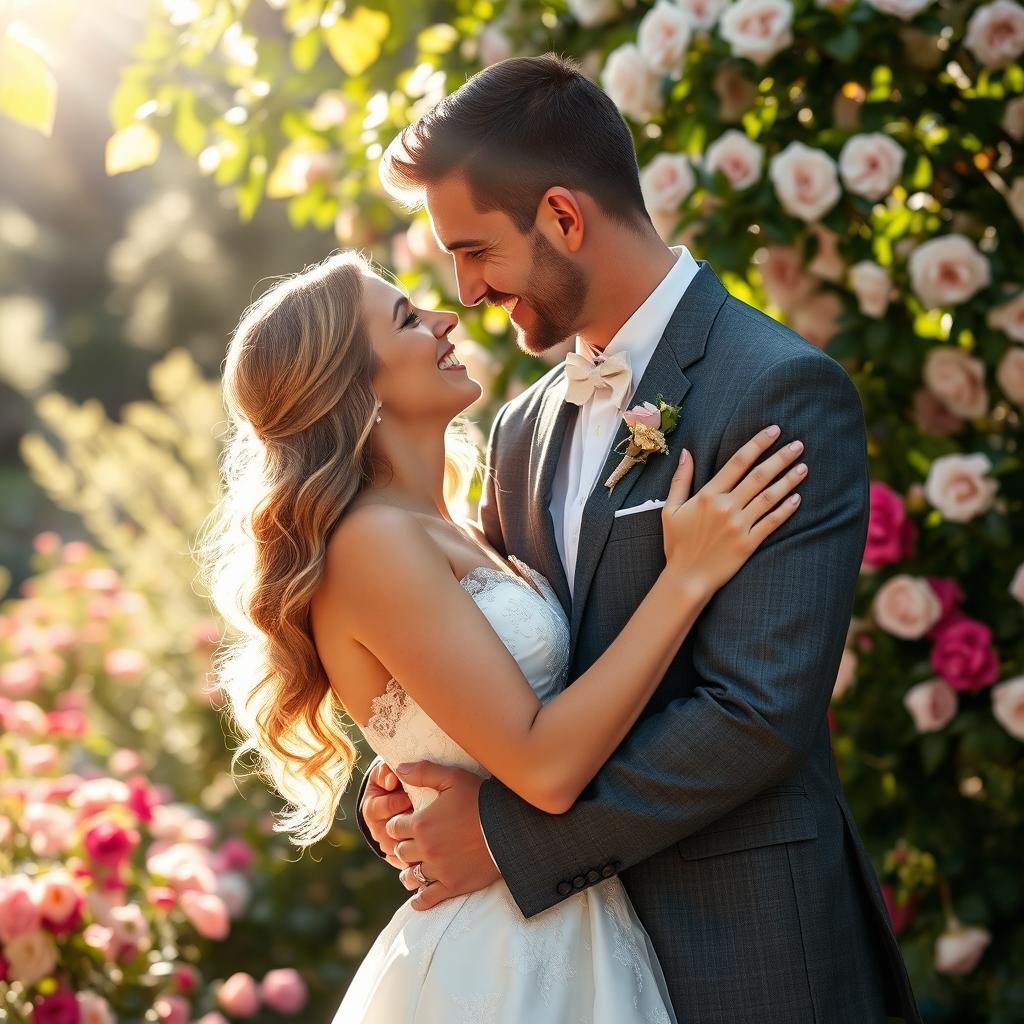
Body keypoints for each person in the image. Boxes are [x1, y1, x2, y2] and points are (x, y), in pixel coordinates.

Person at [355, 53, 924, 1024]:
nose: (467, 290)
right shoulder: (520, 431)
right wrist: (417, 764)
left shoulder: (777, 390)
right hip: (562, 967)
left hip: (744, 948)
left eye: (476, 249)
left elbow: (753, 709)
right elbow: (506, 656)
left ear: (565, 218)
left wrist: (504, 839)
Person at [203, 242, 806, 1021]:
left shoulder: (452, 524)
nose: (446, 317)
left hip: (568, 913)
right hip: (501, 960)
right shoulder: (373, 541)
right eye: (408, 318)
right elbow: (545, 766)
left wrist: (405, 789)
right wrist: (686, 578)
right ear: (357, 386)